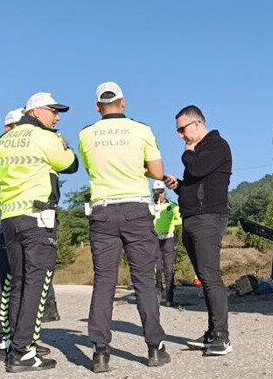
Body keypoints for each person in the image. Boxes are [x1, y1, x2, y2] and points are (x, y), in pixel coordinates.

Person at [78, 82, 170, 372]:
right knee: (143, 279)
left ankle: (101, 352)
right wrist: (136, 166)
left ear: (97, 107)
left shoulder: (85, 134)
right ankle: (154, 348)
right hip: (135, 209)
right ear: (124, 103)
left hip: (102, 210)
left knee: (104, 282)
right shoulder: (141, 130)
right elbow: (156, 171)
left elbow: (91, 169)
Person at [0, 92, 78, 372]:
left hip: (11, 219)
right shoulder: (45, 138)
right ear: (37, 111)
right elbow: (71, 165)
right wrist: (63, 143)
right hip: (37, 218)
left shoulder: (2, 141)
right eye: (54, 111)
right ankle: (23, 352)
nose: (58, 116)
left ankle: (14, 344)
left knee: (19, 283)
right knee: (36, 287)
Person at [0, 107, 53, 362]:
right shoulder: (8, 144)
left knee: (11, 283)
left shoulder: (1, 148)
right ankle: (14, 342)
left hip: (6, 220)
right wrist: (13, 196)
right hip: (17, 219)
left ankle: (13, 341)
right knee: (16, 283)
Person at [163, 105, 233, 355]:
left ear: (197, 124)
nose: (180, 136)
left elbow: (197, 168)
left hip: (208, 220)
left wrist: (188, 154)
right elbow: (196, 181)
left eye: (182, 130)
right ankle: (212, 332)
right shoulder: (198, 152)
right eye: (178, 131)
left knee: (210, 275)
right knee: (204, 278)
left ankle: (222, 337)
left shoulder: (216, 145)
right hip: (192, 218)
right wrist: (178, 186)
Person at [150, 180, 182, 307]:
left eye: (161, 192)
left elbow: (179, 219)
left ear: (165, 192)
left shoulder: (172, 206)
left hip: (168, 240)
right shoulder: (150, 206)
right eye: (156, 192)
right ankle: (158, 294)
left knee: (168, 269)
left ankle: (169, 297)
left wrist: (171, 225)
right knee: (157, 268)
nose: (159, 194)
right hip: (154, 240)